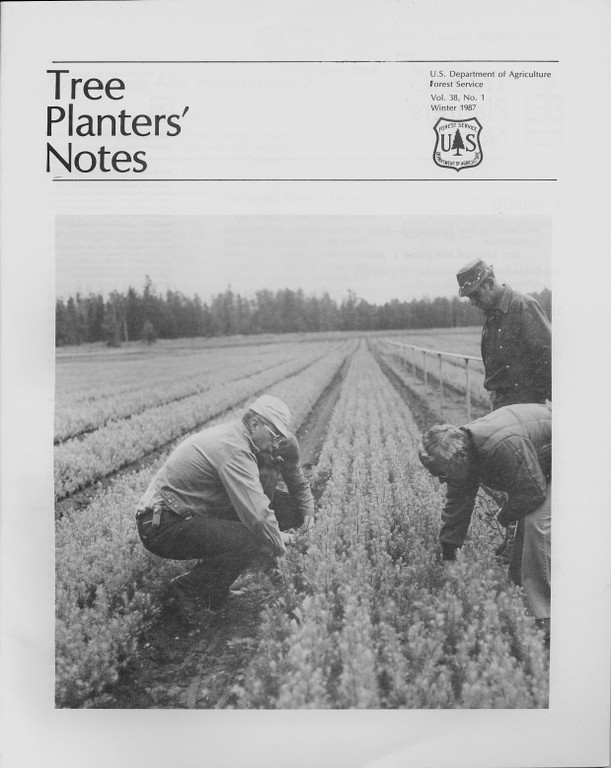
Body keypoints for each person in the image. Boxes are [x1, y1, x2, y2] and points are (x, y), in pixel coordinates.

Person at [135, 394, 314, 624]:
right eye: (275, 435)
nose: (277, 443)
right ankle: (189, 587)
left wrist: (305, 515)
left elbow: (270, 499)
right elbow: (259, 517)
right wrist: (279, 550)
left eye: (281, 436)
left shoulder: (241, 438)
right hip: (161, 525)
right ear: (255, 424)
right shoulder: (234, 448)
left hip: (184, 515)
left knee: (279, 515)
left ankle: (215, 589)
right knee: (252, 536)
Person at [418, 402, 551, 641]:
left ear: (459, 457)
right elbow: (457, 504)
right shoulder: (464, 453)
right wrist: (449, 553)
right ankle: (520, 594)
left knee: (534, 523)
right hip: (536, 454)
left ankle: (545, 615)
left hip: (568, 448)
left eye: (441, 474)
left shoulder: (499, 447)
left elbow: (534, 492)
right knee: (522, 520)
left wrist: (503, 517)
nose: (441, 481)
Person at [456, 259, 551, 410]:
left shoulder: (523, 306)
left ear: (490, 283)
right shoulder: (492, 315)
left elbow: (547, 356)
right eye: (469, 297)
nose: (473, 302)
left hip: (525, 406)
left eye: (476, 294)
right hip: (501, 405)